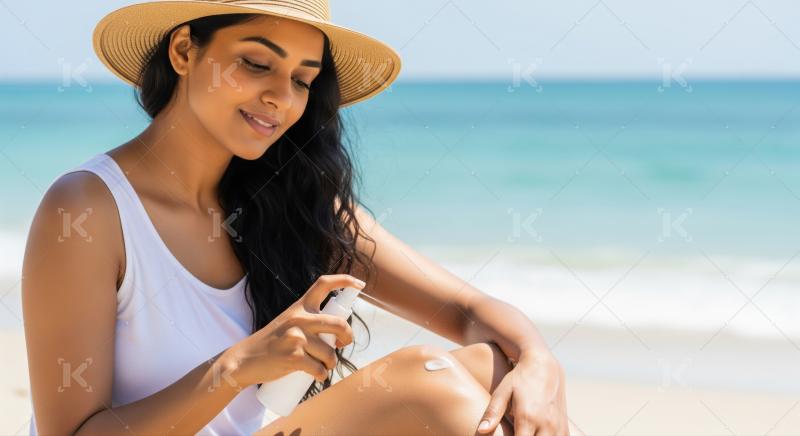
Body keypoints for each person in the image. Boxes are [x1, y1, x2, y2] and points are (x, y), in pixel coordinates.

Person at [22, 1, 579, 434]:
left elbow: (467, 310)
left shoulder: (291, 202)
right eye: (256, 63)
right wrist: (236, 366)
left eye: (302, 80)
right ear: (185, 52)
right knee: (422, 381)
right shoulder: (89, 210)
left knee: (495, 371)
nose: (280, 99)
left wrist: (537, 359)